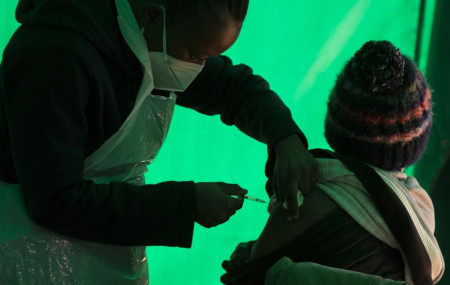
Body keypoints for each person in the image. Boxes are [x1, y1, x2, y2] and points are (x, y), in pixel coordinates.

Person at [0, 0, 319, 284]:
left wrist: (285, 137)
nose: (197, 67)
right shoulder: (55, 58)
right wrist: (184, 203)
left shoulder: (156, 40)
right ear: (152, 16)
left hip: (102, 239)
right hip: (28, 250)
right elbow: (55, 201)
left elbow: (232, 88)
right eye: (195, 55)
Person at [221, 41, 445, 285]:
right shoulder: (419, 212)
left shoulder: (300, 200)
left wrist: (245, 256)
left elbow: (248, 275)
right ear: (416, 142)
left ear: (336, 124)